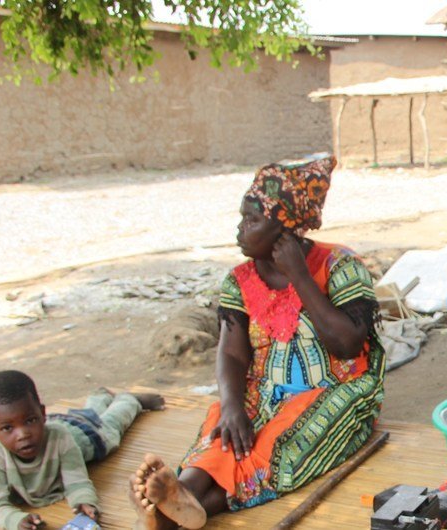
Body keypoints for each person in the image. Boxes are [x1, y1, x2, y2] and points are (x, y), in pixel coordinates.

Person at [127, 154, 385, 529]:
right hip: (264, 389)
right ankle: (181, 491)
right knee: (226, 431)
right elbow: (232, 353)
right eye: (241, 217)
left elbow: (346, 345)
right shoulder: (240, 280)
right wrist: (232, 406)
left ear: (286, 227)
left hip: (339, 391)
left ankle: (173, 517)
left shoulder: (340, 266)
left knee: (276, 443)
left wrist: (299, 274)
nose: (240, 229)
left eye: (252, 219)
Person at [0, 370, 163, 530]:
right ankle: (99, 396)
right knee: (87, 415)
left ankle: (129, 401)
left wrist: (84, 502)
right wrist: (15, 520)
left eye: (30, 420)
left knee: (110, 427)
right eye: (7, 428)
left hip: (83, 436)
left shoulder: (60, 439)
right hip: (62, 422)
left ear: (42, 414)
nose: (23, 434)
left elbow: (77, 481)